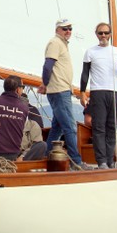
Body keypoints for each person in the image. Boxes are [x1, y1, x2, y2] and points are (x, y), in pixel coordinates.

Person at [38, 18, 89, 169]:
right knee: (70, 127)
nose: (68, 31)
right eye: (64, 28)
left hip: (61, 90)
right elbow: (48, 66)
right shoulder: (55, 43)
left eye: (70, 28)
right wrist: (45, 84)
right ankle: (76, 162)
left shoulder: (61, 44)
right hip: (59, 91)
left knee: (57, 128)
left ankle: (46, 157)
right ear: (57, 30)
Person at [80, 22, 117, 169]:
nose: (103, 36)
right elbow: (85, 74)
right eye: (100, 33)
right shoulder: (90, 52)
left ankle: (110, 160)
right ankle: (101, 161)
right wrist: (83, 92)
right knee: (99, 127)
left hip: (114, 92)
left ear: (110, 34)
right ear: (96, 34)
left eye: (106, 33)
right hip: (97, 91)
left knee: (112, 127)